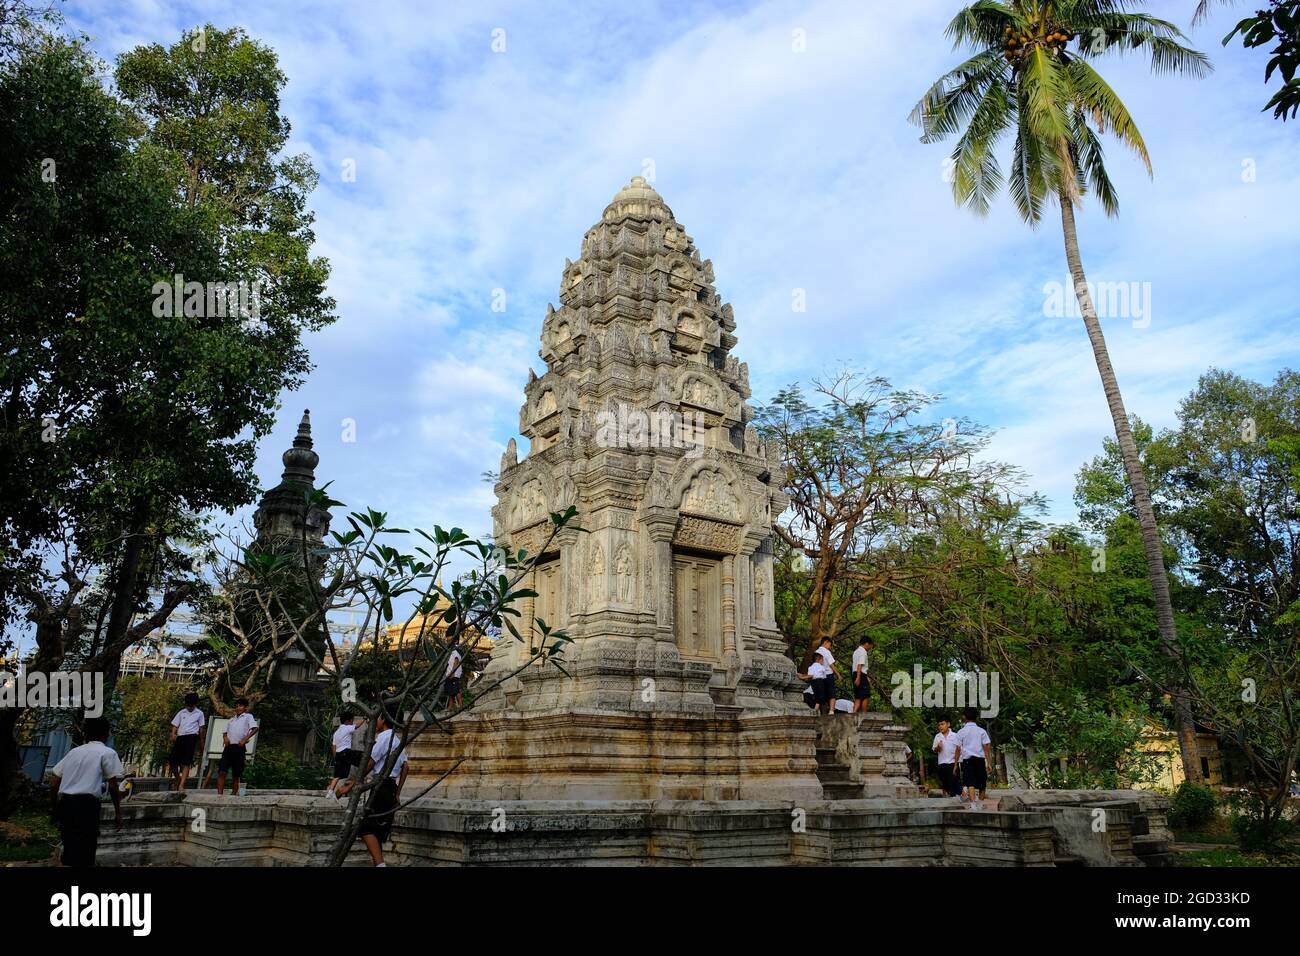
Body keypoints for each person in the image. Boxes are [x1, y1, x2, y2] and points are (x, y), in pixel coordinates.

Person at [49, 716, 124, 867]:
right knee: (86, 848)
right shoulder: (107, 753)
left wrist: (54, 807)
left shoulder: (74, 752)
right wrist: (118, 812)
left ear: (86, 734)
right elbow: (113, 786)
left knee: (69, 845)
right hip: (87, 805)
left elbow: (55, 782)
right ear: (107, 733)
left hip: (66, 803)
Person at [337, 710, 408, 867]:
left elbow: (369, 763)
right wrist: (397, 793)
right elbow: (406, 767)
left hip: (381, 786)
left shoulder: (384, 738)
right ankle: (377, 863)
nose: (375, 723)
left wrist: (350, 785)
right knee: (377, 832)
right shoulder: (397, 740)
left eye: (378, 719)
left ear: (384, 719)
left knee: (365, 828)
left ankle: (381, 865)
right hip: (390, 787)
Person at [216, 698, 258, 796]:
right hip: (229, 748)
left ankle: (233, 794)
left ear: (245, 708)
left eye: (241, 706)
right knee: (222, 771)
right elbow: (225, 732)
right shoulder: (231, 719)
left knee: (236, 774)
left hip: (239, 748)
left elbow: (255, 728)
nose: (238, 708)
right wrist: (225, 737)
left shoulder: (248, 716)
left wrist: (244, 739)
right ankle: (219, 795)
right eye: (237, 706)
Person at [952, 707, 993, 806]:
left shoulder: (961, 732)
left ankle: (973, 805)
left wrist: (955, 764)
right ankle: (981, 804)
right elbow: (986, 748)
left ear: (964, 717)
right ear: (976, 717)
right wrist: (989, 763)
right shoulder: (981, 731)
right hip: (979, 760)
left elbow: (958, 750)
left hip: (967, 761)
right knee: (982, 783)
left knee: (971, 783)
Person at [167, 692, 205, 792]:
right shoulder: (181, 712)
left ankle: (182, 785)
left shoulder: (199, 713)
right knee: (173, 761)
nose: (189, 707)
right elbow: (175, 725)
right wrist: (173, 734)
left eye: (191, 705)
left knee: (186, 762)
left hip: (191, 737)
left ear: (195, 704)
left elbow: (201, 728)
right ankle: (177, 779)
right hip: (180, 737)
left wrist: (201, 741)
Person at [327, 711, 363, 795]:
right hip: (346, 752)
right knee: (364, 760)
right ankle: (361, 776)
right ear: (347, 721)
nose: (352, 722)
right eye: (352, 720)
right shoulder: (347, 728)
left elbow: (333, 746)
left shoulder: (336, 732)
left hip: (339, 754)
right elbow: (357, 725)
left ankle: (330, 792)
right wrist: (364, 719)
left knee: (337, 775)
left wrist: (335, 757)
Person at [931, 715, 962, 797]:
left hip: (953, 763)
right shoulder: (937, 736)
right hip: (942, 763)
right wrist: (938, 747)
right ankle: (947, 800)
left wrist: (956, 764)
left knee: (954, 783)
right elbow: (934, 750)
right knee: (945, 784)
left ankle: (956, 800)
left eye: (942, 724)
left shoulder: (955, 736)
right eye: (939, 725)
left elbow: (959, 750)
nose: (940, 726)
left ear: (948, 724)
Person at [815, 638, 841, 713]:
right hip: (828, 675)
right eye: (830, 645)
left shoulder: (816, 652)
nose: (830, 647)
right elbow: (831, 664)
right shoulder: (827, 652)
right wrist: (838, 674)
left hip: (820, 676)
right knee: (831, 693)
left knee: (822, 694)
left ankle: (820, 711)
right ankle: (831, 711)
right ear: (826, 642)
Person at [851, 637, 874, 713]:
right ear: (867, 643)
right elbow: (859, 665)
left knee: (858, 696)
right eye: (871, 645)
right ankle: (864, 713)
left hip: (855, 673)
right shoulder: (863, 651)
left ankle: (854, 712)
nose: (871, 648)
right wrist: (859, 677)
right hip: (860, 674)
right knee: (865, 695)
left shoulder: (856, 651)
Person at [444, 643, 464, 709]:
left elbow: (456, 662)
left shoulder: (455, 653)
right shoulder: (450, 653)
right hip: (449, 674)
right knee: (450, 692)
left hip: (454, 675)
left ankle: (461, 706)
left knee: (456, 691)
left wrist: (452, 673)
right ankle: (450, 706)